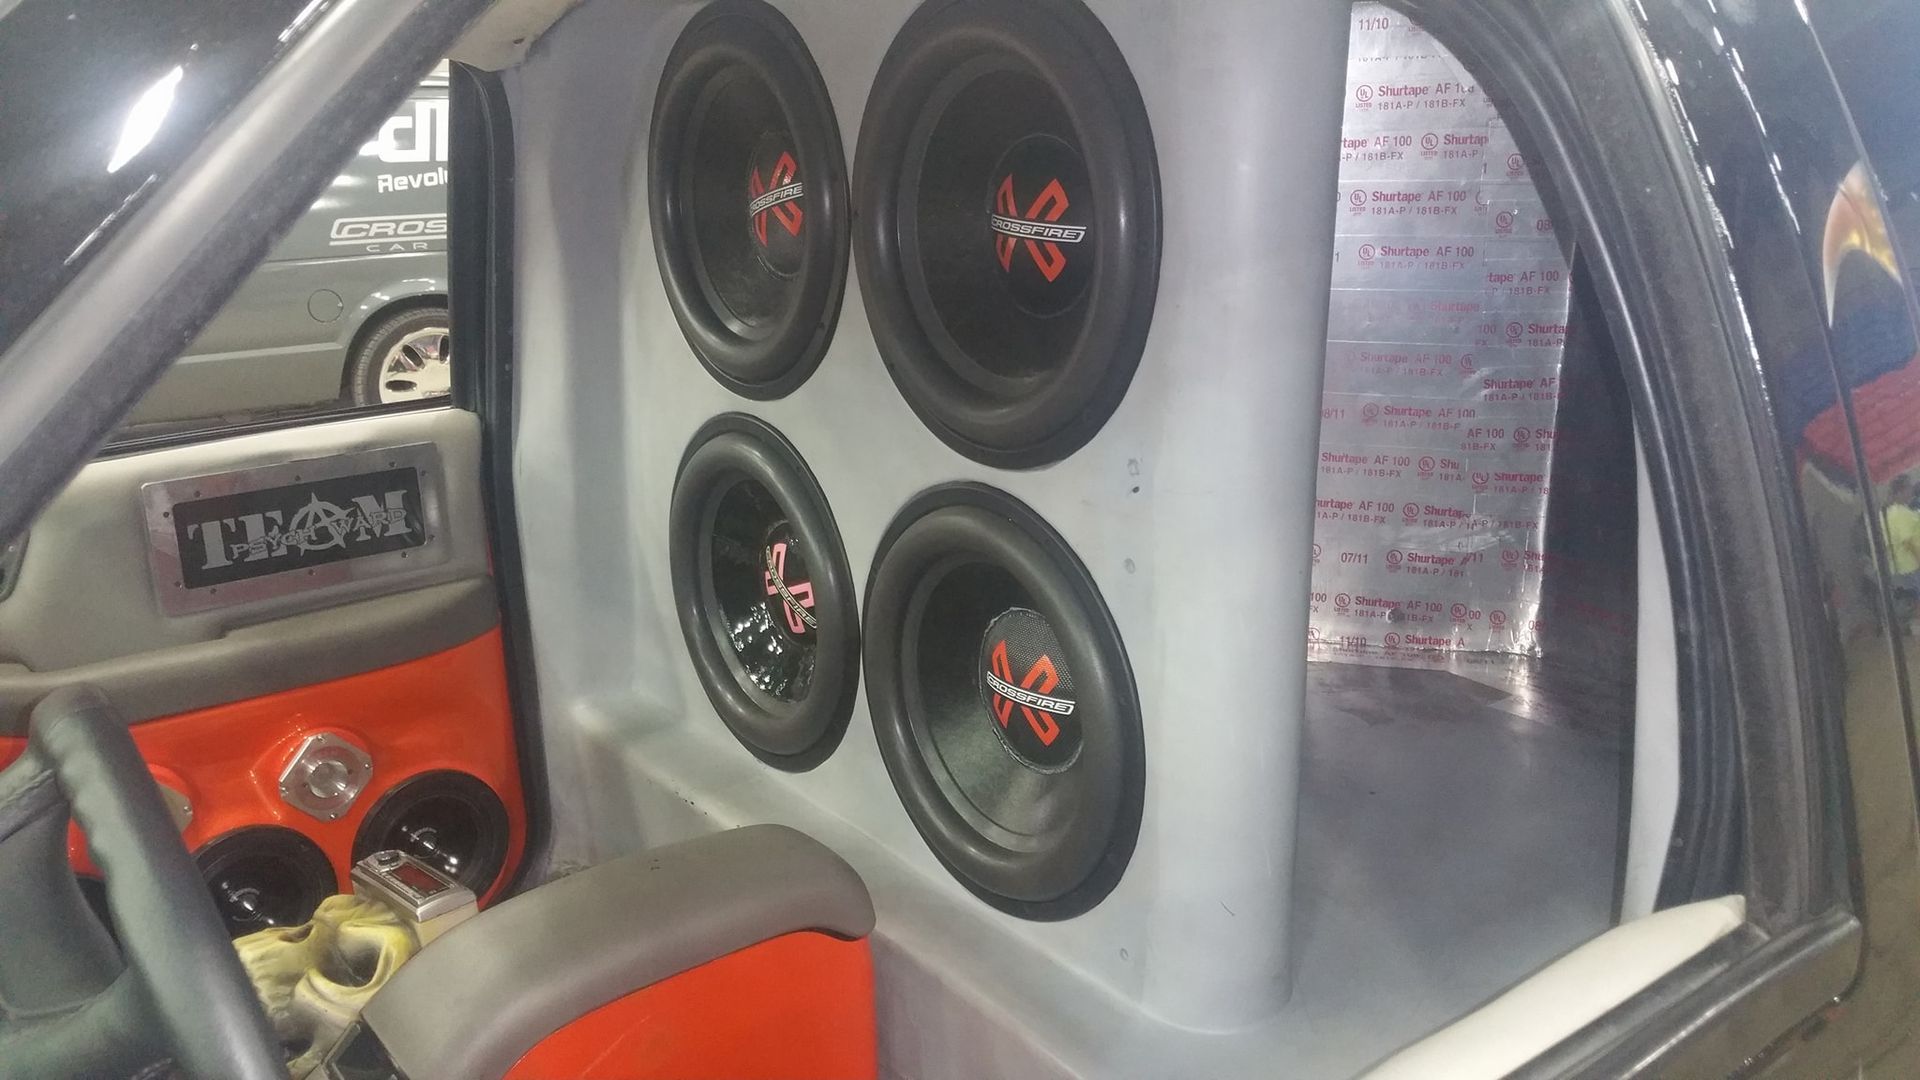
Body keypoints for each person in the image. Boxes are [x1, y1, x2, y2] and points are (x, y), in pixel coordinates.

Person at [1882, 475, 1920, 620]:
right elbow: (1908, 541)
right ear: (1900, 491)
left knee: (1916, 601)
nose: (1911, 491)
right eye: (1908, 488)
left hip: (1901, 565)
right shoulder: (1900, 513)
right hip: (1911, 565)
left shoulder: (1888, 512)